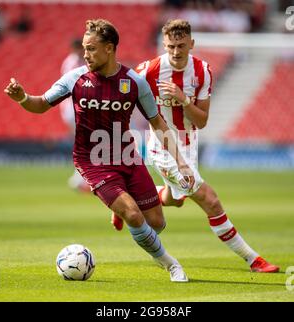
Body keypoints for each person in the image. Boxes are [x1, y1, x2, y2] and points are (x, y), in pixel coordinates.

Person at [4, 18, 195, 282]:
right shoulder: (75, 78)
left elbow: (158, 124)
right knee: (132, 213)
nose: (85, 54)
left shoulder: (134, 82)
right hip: (92, 161)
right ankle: (172, 265)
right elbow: (40, 104)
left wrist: (182, 164)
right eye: (84, 48)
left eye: (92, 48)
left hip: (127, 157)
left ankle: (120, 208)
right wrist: (23, 98)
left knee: (157, 223)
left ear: (109, 48)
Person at [112, 19, 279, 273]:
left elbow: (201, 121)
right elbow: (123, 95)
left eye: (181, 45)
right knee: (210, 200)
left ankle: (129, 200)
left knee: (175, 199)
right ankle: (253, 259)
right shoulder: (149, 70)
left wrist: (183, 100)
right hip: (163, 147)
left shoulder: (203, 72)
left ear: (191, 43)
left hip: (189, 144)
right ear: (164, 44)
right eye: (170, 46)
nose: (176, 52)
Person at [59, 38, 89, 192]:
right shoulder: (73, 64)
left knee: (83, 143)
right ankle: (80, 177)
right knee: (83, 143)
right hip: (73, 108)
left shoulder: (74, 62)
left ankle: (80, 176)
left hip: (74, 108)